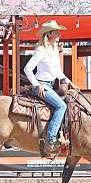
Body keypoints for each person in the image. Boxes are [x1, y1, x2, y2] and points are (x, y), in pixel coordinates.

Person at [24, 20, 79, 152]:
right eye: (56, 31)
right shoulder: (41, 49)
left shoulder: (54, 48)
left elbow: (57, 72)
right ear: (49, 34)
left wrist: (71, 83)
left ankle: (58, 134)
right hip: (42, 85)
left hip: (49, 84)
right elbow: (27, 68)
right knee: (61, 106)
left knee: (63, 103)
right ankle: (51, 140)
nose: (59, 33)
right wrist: (37, 85)